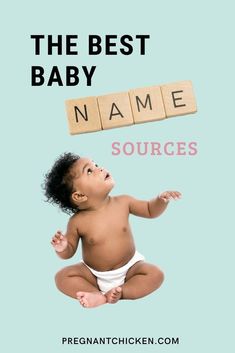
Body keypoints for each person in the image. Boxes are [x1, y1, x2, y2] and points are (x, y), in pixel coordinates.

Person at [44, 152, 181, 308]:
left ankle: (122, 291)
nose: (99, 168)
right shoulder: (77, 222)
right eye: (89, 171)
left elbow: (150, 210)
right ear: (80, 195)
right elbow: (69, 252)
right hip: (93, 275)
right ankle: (96, 294)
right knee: (61, 277)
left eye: (95, 164)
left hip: (131, 268)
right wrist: (62, 247)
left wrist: (160, 200)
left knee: (156, 274)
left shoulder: (124, 202)